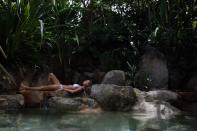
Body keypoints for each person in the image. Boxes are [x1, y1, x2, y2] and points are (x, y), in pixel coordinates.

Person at [19, 73, 92, 94]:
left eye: (87, 81)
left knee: (41, 88)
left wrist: (63, 88)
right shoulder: (81, 87)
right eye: (86, 80)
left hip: (59, 87)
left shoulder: (81, 88)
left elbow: (72, 91)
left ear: (87, 85)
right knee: (51, 74)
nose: (85, 81)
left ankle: (25, 87)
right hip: (59, 85)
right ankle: (49, 86)